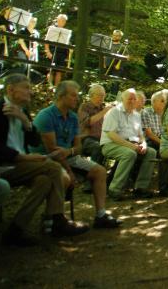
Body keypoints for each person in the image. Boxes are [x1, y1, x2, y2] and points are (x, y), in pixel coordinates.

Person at [0, 74, 89, 246]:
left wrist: (25, 121)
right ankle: (57, 220)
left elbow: (34, 141)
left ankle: (15, 230)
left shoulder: (22, 111)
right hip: (1, 166)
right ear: (10, 89)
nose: (30, 92)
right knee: (52, 168)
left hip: (20, 164)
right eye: (26, 88)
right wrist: (21, 157)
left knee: (43, 181)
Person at [34, 81, 121, 228]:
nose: (77, 98)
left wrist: (70, 151)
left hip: (69, 157)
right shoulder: (46, 116)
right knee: (65, 178)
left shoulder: (72, 117)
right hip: (45, 160)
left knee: (99, 171)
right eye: (73, 95)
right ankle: (51, 219)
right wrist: (69, 170)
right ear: (61, 96)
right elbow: (53, 152)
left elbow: (78, 147)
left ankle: (101, 215)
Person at [100, 88, 157, 200]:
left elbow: (141, 135)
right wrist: (132, 146)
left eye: (134, 99)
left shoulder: (136, 115)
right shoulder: (114, 112)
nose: (132, 101)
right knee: (129, 154)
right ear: (122, 99)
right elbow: (111, 135)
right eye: (129, 98)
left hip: (131, 144)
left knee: (151, 152)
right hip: (110, 144)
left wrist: (144, 144)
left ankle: (140, 188)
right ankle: (114, 190)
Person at [142, 89, 168, 197]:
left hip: (162, 141)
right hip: (149, 141)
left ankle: (166, 186)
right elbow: (149, 134)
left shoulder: (165, 114)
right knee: (166, 154)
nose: (164, 103)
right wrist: (164, 143)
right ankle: (164, 187)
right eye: (161, 101)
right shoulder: (146, 112)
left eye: (165, 101)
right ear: (153, 101)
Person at [78, 84, 114, 167]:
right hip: (86, 139)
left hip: (102, 139)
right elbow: (87, 122)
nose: (102, 97)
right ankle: (93, 173)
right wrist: (104, 111)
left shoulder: (103, 108)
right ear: (91, 95)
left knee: (121, 148)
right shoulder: (85, 106)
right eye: (99, 95)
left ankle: (111, 177)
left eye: (103, 95)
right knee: (99, 147)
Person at [43, 14, 70, 86]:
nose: (62, 22)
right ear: (57, 20)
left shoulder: (66, 32)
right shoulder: (52, 29)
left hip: (62, 53)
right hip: (52, 51)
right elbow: (46, 41)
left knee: (59, 72)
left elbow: (66, 44)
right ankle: (49, 87)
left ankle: (56, 89)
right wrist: (48, 51)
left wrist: (67, 57)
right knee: (50, 70)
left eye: (64, 21)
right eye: (61, 20)